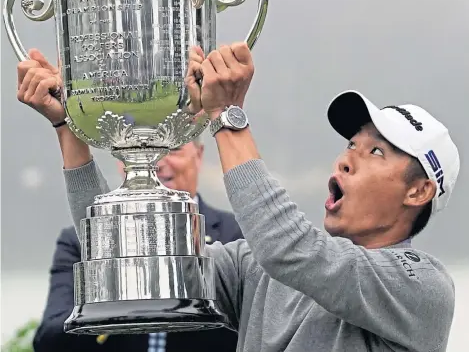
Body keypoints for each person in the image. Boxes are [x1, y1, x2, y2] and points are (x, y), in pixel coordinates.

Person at [18, 43, 459, 352]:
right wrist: (68, 129)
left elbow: (293, 250)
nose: (345, 161)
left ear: (419, 191)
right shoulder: (256, 267)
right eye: (351, 145)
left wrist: (224, 115)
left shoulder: (421, 285)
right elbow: (123, 255)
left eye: (376, 152)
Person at [18, 50, 243, 352]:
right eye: (133, 144)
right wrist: (113, 305)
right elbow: (49, 340)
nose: (159, 161)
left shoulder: (236, 238)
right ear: (118, 157)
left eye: (173, 147)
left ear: (199, 155)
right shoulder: (76, 240)